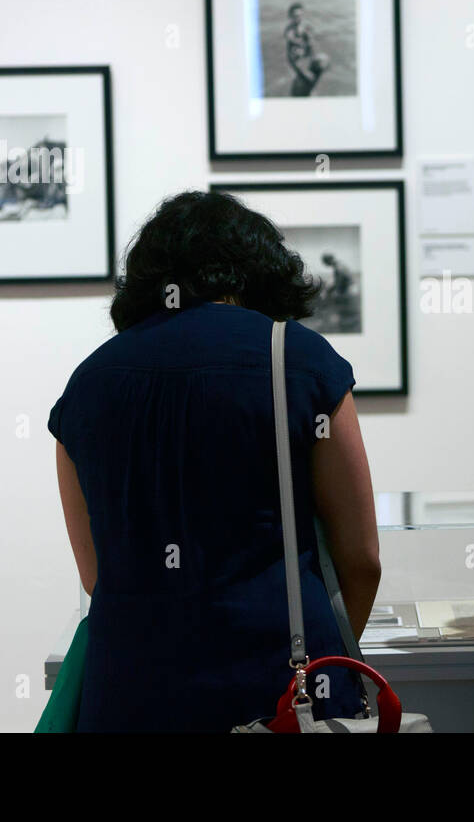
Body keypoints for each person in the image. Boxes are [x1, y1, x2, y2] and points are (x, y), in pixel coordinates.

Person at [48, 190, 381, 732]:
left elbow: (96, 576)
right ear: (260, 270)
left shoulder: (87, 384)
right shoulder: (300, 360)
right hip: (283, 691)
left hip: (132, 694)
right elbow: (362, 558)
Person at [283, 2, 329, 96]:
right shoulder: (290, 32)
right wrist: (303, 73)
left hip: (306, 59)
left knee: (324, 61)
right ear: (290, 17)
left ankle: (310, 87)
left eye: (300, 16)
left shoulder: (305, 27)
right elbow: (291, 58)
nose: (298, 18)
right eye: (295, 16)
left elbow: (312, 45)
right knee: (302, 87)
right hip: (297, 64)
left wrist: (309, 41)